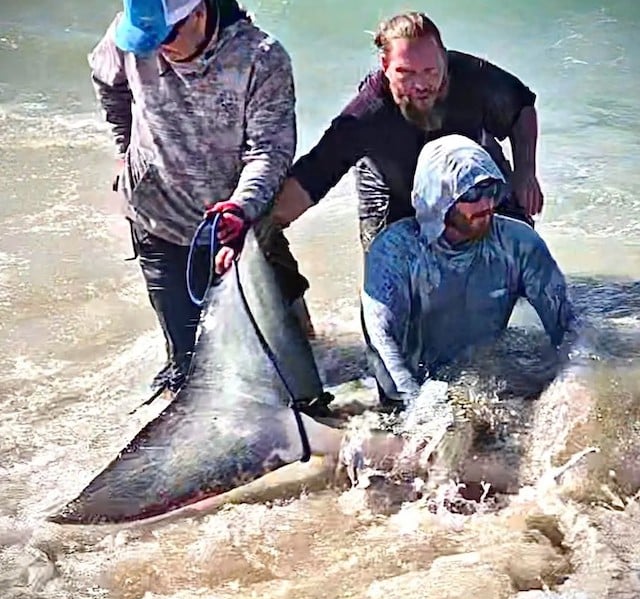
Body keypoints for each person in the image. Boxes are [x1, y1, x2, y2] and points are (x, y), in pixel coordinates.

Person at [89, 0, 310, 397]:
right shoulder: (131, 36)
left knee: (296, 362)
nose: (156, 48)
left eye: (167, 36)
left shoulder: (261, 58)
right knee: (188, 370)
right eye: (146, 40)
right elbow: (107, 81)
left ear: (200, 13)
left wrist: (241, 208)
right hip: (158, 217)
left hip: (238, 222)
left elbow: (269, 152)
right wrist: (125, 149)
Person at [269, 10, 544, 253]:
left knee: (520, 244)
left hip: (469, 175)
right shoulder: (367, 114)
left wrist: (525, 172)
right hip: (392, 192)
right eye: (406, 73)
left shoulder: (471, 78)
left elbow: (521, 108)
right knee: (390, 274)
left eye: (430, 70)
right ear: (385, 66)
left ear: (443, 59)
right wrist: (262, 224)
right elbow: (315, 173)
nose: (421, 84)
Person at [360, 134, 577, 408]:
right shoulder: (394, 250)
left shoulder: (518, 244)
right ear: (438, 195)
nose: (485, 204)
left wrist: (578, 378)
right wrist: (416, 406)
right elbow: (381, 340)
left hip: (483, 379)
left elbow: (566, 325)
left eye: (491, 191)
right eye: (471, 193)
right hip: (413, 388)